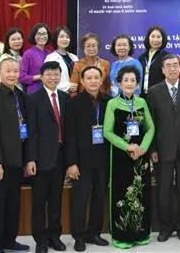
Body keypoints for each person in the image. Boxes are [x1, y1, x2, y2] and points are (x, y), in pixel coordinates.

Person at [0, 57, 30, 252]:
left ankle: (10, 240)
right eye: (8, 71)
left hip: (17, 161)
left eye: (15, 71)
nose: (12, 74)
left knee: (12, 204)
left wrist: (27, 159)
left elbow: (26, 129)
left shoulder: (20, 95)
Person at [146, 54, 180, 242]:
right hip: (162, 149)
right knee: (163, 189)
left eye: (175, 65)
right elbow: (149, 123)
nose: (172, 69)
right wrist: (152, 149)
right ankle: (165, 227)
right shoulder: (153, 91)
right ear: (162, 69)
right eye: (168, 66)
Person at [103, 66, 155, 248]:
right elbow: (107, 132)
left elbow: (151, 128)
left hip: (140, 157)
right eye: (126, 80)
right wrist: (128, 147)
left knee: (141, 194)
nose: (130, 83)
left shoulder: (142, 102)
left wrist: (142, 148)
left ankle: (141, 234)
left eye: (133, 80)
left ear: (138, 83)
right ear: (119, 83)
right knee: (122, 194)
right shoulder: (112, 104)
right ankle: (122, 236)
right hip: (120, 157)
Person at [64, 66, 111, 252]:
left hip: (103, 159)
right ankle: (79, 235)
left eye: (96, 77)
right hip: (81, 161)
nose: (92, 81)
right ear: (82, 81)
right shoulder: (73, 103)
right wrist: (71, 163)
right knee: (80, 199)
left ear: (101, 80)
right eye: (88, 78)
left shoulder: (109, 101)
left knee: (100, 196)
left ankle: (94, 233)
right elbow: (70, 136)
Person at [24, 61, 69, 252]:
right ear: (42, 77)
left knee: (56, 199)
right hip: (40, 159)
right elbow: (30, 132)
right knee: (39, 201)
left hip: (60, 157)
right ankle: (41, 240)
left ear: (60, 76)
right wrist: (30, 159)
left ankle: (54, 236)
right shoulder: (33, 99)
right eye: (49, 74)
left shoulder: (66, 98)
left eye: (56, 74)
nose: (53, 77)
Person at [45, 26, 79, 94]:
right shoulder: (50, 58)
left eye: (67, 37)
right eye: (62, 36)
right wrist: (67, 86)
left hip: (76, 95)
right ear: (56, 39)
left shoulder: (74, 57)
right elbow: (47, 80)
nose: (65, 39)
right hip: (60, 95)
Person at [19, 23, 51, 94]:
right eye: (39, 34)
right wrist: (39, 77)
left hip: (49, 91)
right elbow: (21, 77)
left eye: (44, 34)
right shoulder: (28, 53)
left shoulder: (50, 54)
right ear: (34, 36)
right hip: (34, 92)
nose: (42, 36)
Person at [138, 25, 168, 94]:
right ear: (148, 38)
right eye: (152, 36)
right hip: (142, 96)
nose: (155, 40)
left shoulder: (167, 57)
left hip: (160, 95)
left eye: (158, 37)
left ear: (163, 39)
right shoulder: (142, 57)